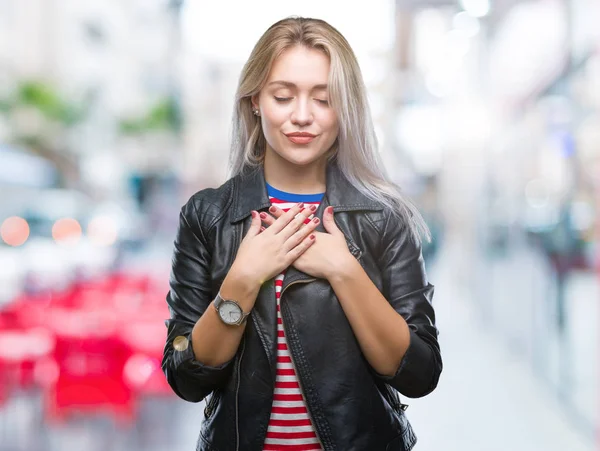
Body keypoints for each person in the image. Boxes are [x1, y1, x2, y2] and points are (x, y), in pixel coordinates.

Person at [162, 16, 442, 451]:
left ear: (344, 107)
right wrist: (242, 281)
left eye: (323, 99)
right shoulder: (208, 216)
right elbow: (186, 377)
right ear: (255, 101)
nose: (302, 116)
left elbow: (418, 374)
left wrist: (346, 272)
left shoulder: (383, 218)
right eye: (282, 96)